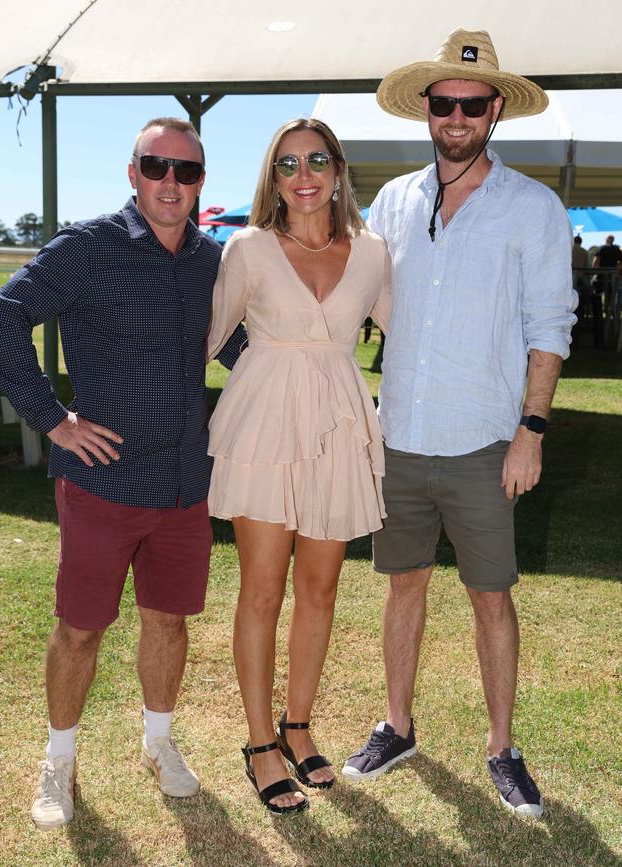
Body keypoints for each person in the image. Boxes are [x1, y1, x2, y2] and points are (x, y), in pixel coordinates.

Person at [0, 117, 246, 830]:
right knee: (80, 628)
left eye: (186, 172)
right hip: (102, 484)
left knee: (170, 621)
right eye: (156, 166)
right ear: (133, 173)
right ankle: (59, 759)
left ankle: (158, 742)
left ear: (200, 184)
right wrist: (53, 418)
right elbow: (0, 321)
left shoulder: (212, 261)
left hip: (185, 484)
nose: (170, 182)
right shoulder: (87, 248)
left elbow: (245, 350)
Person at [341, 29, 577, 819]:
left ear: (495, 110)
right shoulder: (393, 201)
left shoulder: (536, 208)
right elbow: (367, 305)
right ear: (428, 111)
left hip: (484, 440)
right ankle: (398, 725)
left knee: (489, 596)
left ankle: (502, 747)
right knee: (402, 583)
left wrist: (531, 430)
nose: (457, 116)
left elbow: (551, 324)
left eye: (473, 104)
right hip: (400, 434)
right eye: (444, 103)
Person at [207, 118, 392, 814]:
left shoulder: (373, 251)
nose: (305, 174)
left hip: (340, 426)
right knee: (262, 589)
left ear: (339, 170)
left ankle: (299, 724)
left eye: (318, 160)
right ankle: (259, 744)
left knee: (320, 591)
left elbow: (408, 339)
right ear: (273, 178)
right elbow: (208, 334)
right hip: (262, 424)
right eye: (288, 164)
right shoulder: (249, 247)